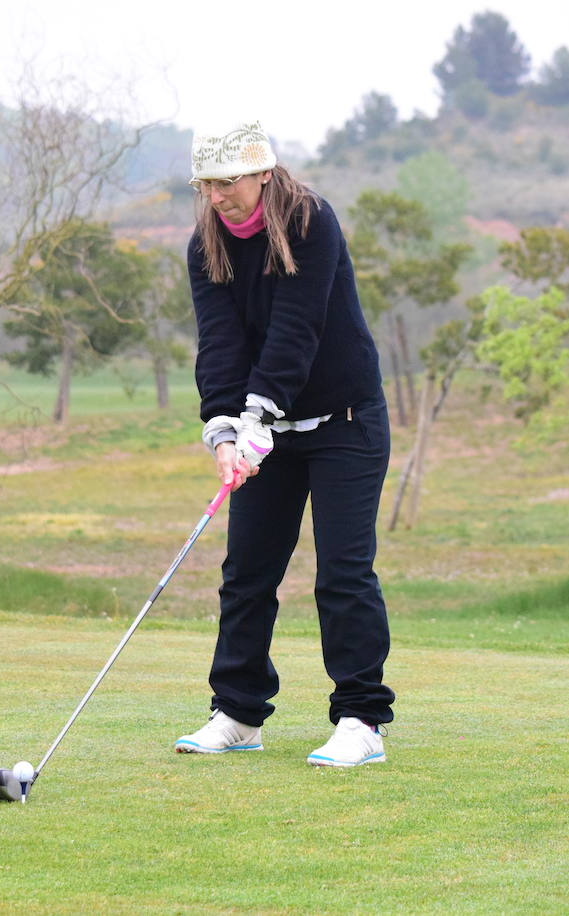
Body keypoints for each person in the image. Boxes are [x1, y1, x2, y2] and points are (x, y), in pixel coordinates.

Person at [173, 120, 395, 767]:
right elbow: (219, 343)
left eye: (229, 181)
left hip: (344, 421)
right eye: (206, 184)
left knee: (344, 575)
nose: (217, 196)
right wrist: (223, 431)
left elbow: (297, 330)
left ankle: (361, 720)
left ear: (263, 172)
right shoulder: (205, 243)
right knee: (247, 572)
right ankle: (239, 713)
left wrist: (256, 419)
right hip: (262, 428)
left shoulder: (309, 222)